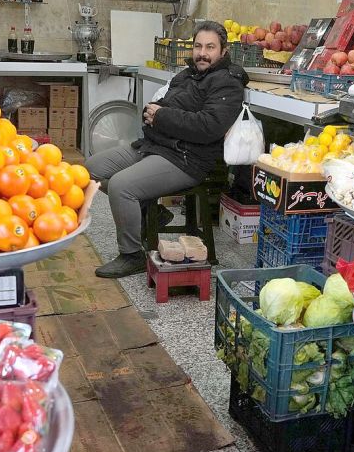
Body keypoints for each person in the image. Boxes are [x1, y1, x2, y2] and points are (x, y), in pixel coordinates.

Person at [86, 20, 250, 278]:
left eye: (210, 47)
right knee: (91, 170)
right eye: (198, 46)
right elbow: (159, 105)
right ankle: (152, 213)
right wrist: (151, 112)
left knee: (121, 186)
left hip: (187, 159)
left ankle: (131, 255)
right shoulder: (187, 75)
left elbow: (209, 126)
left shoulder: (227, 83)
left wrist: (161, 117)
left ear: (223, 51)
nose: (202, 53)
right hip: (156, 145)